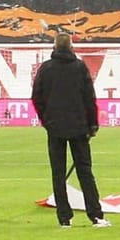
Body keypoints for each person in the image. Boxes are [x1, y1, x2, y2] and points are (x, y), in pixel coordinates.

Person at [33, 32, 106, 227]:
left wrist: (46, 119)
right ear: (71, 46)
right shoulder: (79, 67)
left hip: (55, 127)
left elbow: (36, 96)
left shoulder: (46, 69)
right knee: (85, 172)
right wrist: (93, 124)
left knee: (58, 173)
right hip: (79, 127)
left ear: (54, 46)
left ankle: (64, 218)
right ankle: (96, 215)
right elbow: (90, 98)